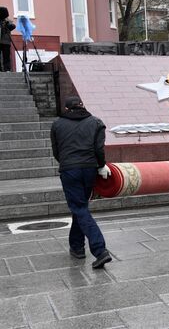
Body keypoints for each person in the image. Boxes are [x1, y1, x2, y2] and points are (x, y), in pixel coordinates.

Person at [50, 96, 112, 269]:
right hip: (89, 169)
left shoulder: (57, 124)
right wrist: (100, 166)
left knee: (79, 208)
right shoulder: (96, 122)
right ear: (83, 106)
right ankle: (77, 247)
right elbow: (99, 149)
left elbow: (57, 152)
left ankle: (100, 250)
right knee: (80, 207)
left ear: (67, 109)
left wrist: (68, 162)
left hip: (70, 170)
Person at [0, 6, 16, 72]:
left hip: (6, 41)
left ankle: (7, 69)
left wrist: (8, 25)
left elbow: (13, 26)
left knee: (6, 56)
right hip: (2, 41)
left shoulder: (8, 21)